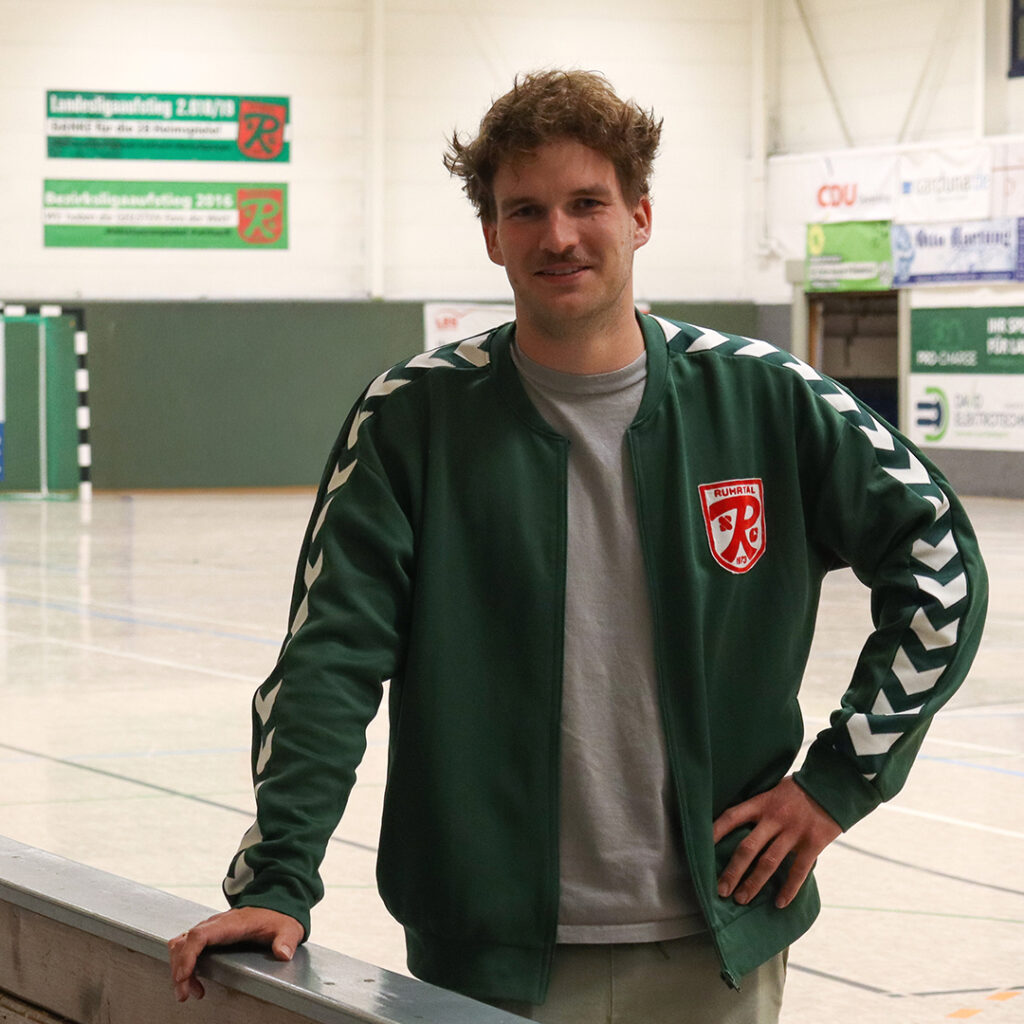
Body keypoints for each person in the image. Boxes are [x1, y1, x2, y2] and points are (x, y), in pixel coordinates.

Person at [169, 70, 988, 1022]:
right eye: (526, 210)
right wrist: (277, 879)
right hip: (483, 955)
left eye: (587, 203)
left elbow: (942, 566)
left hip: (717, 941)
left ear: (641, 216)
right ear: (492, 234)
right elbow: (328, 659)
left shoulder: (767, 398)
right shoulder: (413, 418)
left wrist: (838, 781)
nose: (558, 236)